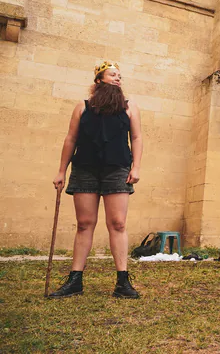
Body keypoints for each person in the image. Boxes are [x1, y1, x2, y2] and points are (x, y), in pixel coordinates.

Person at [49, 61, 143, 299]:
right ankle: (75, 281)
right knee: (84, 224)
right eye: (112, 75)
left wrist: (136, 167)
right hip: (85, 170)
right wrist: (62, 170)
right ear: (99, 80)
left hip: (118, 170)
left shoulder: (130, 108)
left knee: (118, 224)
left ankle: (123, 282)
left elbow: (137, 138)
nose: (118, 78)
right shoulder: (82, 107)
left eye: (120, 76)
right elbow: (70, 139)